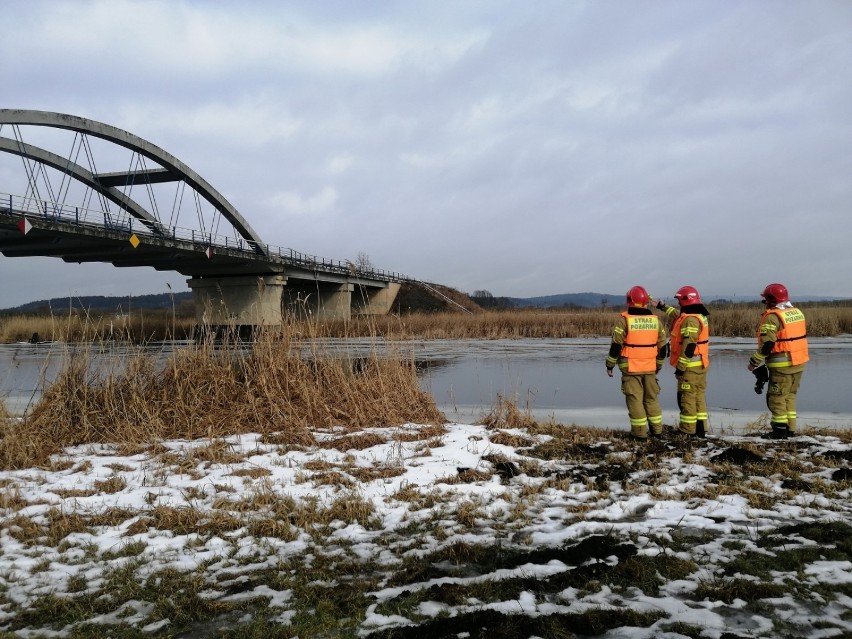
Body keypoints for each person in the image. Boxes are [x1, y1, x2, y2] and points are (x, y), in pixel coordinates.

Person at [606, 286, 669, 439]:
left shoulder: (624, 321)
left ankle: (639, 434)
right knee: (651, 399)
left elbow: (616, 345)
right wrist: (658, 366)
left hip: (630, 367)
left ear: (629, 301)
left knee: (635, 399)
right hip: (650, 367)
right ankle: (657, 431)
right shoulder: (656, 322)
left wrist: (609, 365)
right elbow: (663, 348)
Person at [747, 283, 808, 439]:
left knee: (776, 398)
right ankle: (790, 429)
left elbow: (768, 344)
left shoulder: (773, 317)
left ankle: (779, 431)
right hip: (799, 363)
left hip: (782, 365)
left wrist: (754, 361)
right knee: (790, 396)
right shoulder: (796, 312)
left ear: (770, 299)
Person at [654, 286, 710, 437]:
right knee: (698, 398)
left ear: (686, 300)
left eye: (679, 300)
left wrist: (680, 367)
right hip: (700, 365)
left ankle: (687, 431)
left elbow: (689, 346)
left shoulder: (690, 320)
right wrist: (662, 306)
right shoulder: (697, 315)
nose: (678, 303)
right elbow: (677, 315)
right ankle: (700, 429)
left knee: (687, 399)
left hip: (690, 368)